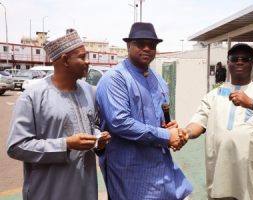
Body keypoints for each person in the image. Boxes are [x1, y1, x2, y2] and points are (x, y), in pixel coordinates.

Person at [184, 43, 253, 200]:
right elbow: (198, 122)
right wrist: (186, 133)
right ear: (228, 63)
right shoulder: (214, 95)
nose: (239, 62)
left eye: (245, 58)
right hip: (219, 183)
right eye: (234, 58)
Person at [6, 30, 111, 200]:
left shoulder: (89, 92)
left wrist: (98, 139)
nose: (88, 61)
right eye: (82, 57)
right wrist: (65, 144)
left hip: (86, 190)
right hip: (50, 191)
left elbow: (94, 125)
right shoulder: (33, 97)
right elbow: (16, 146)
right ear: (64, 60)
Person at [95, 22, 192, 200]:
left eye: (152, 45)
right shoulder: (115, 78)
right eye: (141, 44)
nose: (147, 48)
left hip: (161, 168)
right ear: (128, 45)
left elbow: (161, 119)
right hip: (130, 172)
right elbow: (120, 122)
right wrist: (166, 136)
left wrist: (173, 129)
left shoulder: (158, 79)